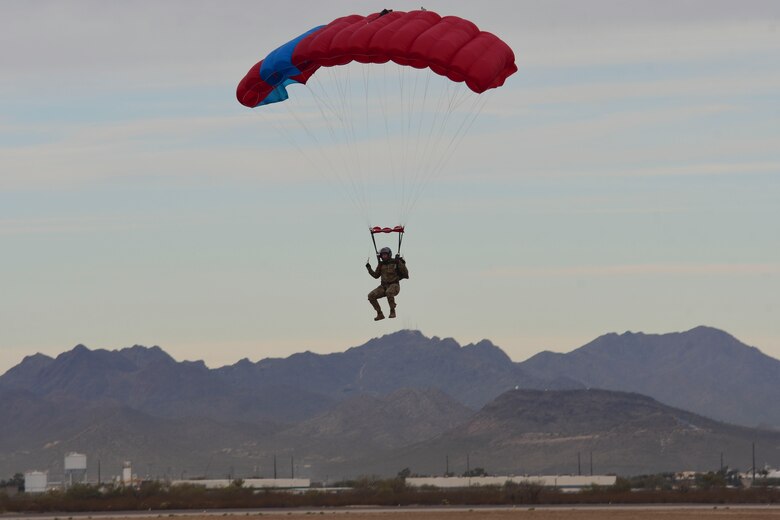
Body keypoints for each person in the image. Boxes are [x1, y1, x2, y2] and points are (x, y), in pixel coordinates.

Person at [365, 246, 409, 321]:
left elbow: (406, 274)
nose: (384, 256)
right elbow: (376, 275)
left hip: (394, 285)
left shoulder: (395, 262)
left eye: (385, 255)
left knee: (389, 292)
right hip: (383, 286)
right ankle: (379, 314)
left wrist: (399, 262)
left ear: (389, 254)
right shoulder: (381, 265)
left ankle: (392, 311)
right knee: (371, 296)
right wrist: (369, 268)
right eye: (382, 255)